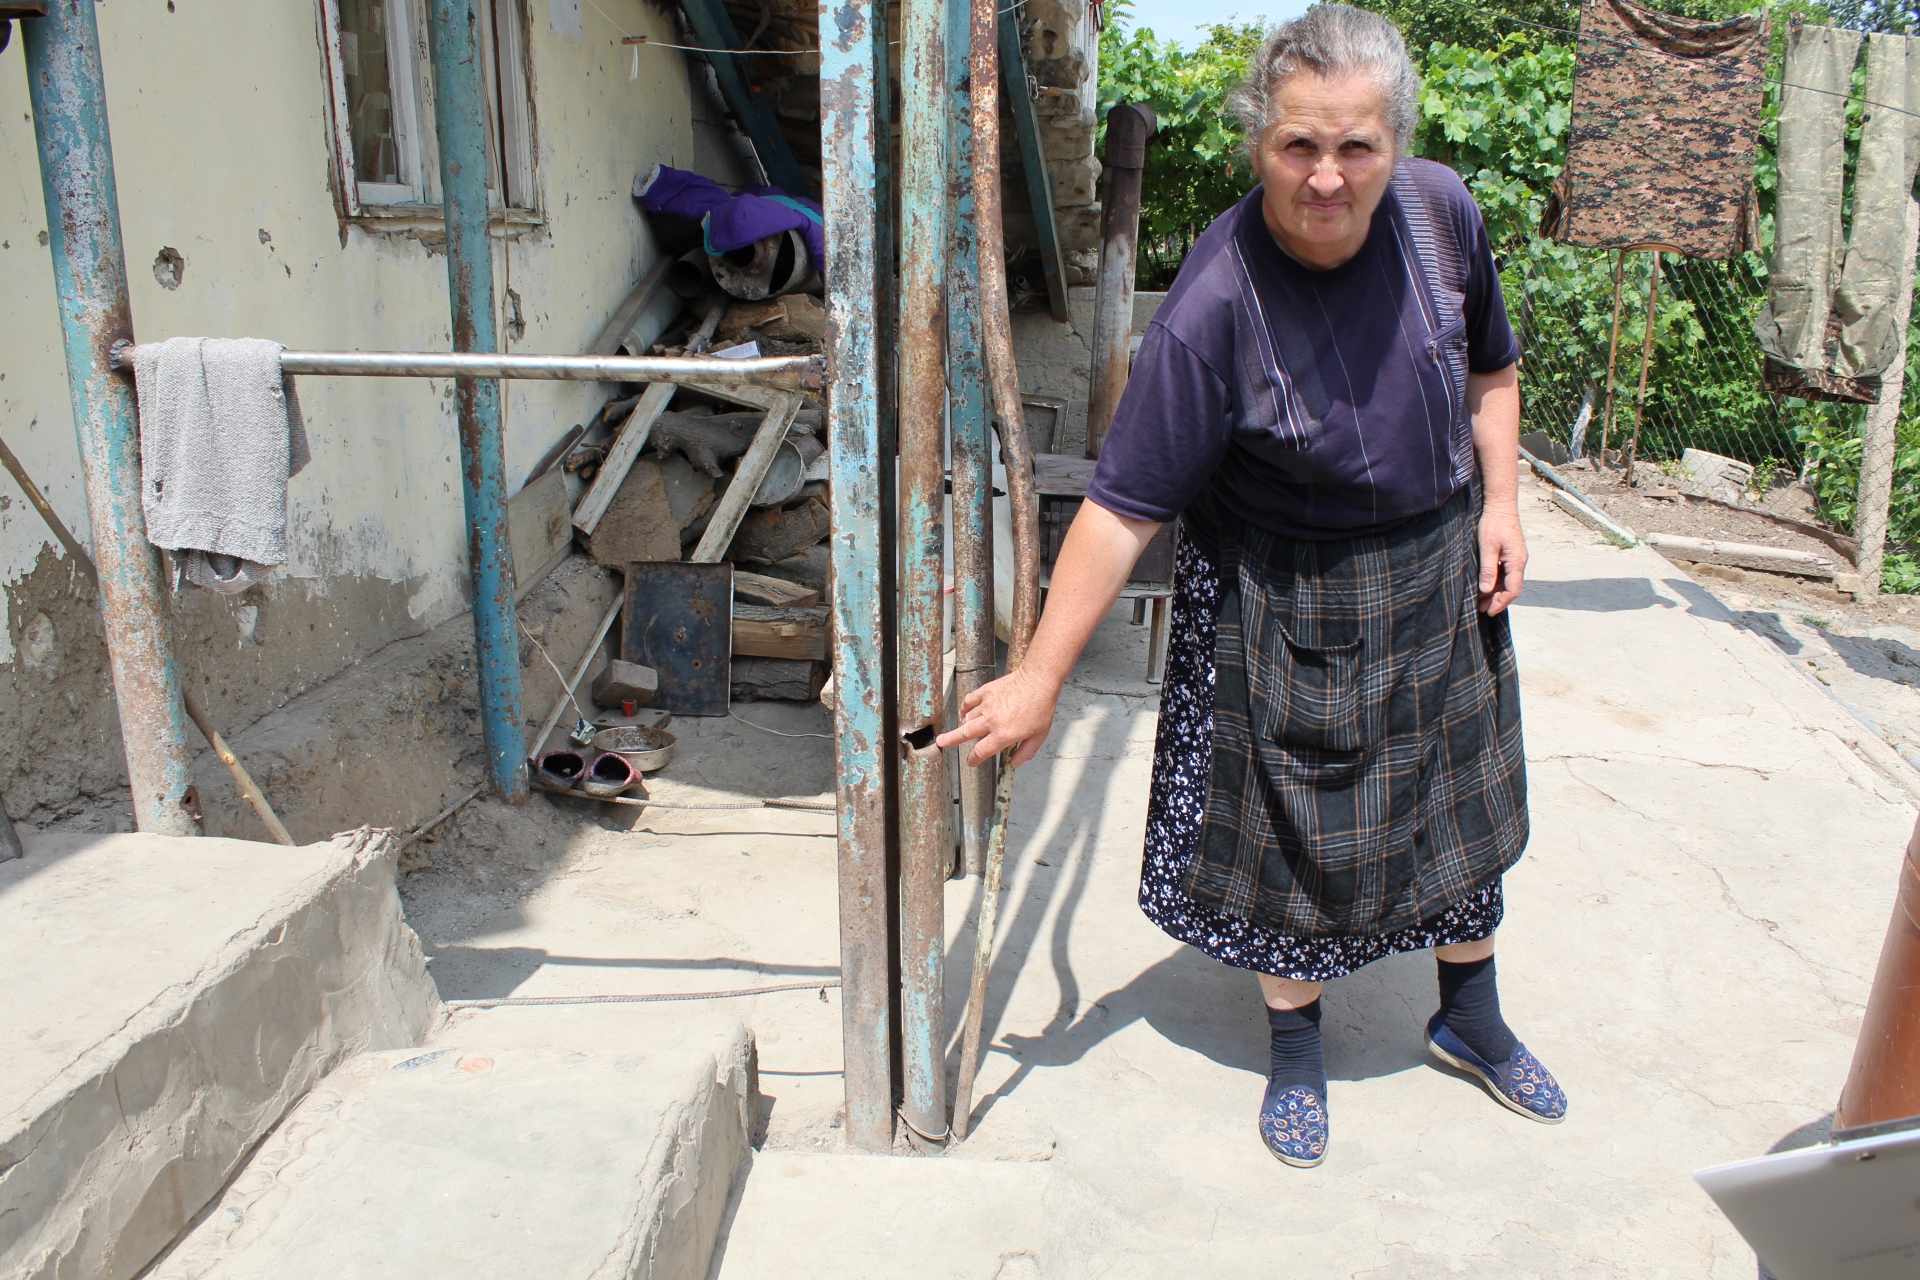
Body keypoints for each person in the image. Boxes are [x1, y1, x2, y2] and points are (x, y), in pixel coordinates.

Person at [936, 4, 1566, 1167]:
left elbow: (1492, 366)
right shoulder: (1213, 305)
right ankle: (1296, 1044)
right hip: (1286, 585)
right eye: (1298, 145)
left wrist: (1503, 504)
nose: (1327, 177)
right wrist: (1040, 675)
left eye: (1356, 146)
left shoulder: (1442, 215)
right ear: (1258, 141)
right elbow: (1124, 506)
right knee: (1291, 831)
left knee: (1455, 807)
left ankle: (1468, 1015)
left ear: (1395, 142)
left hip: (1435, 566)